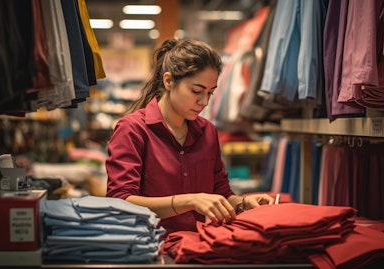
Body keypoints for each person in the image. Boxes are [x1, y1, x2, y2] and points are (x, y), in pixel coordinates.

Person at [105, 38, 273, 236]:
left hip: (193, 247)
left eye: (210, 93)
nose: (204, 102)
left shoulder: (207, 132)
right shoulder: (133, 129)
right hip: (145, 248)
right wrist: (188, 201)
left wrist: (243, 203)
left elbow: (222, 193)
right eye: (196, 91)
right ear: (168, 81)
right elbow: (120, 201)